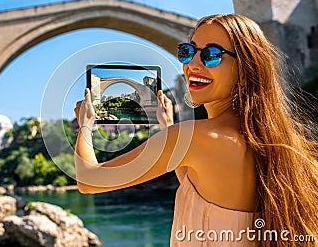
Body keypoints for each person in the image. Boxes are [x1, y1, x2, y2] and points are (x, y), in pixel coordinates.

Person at [74, 14, 318, 246]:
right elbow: (197, 188)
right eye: (188, 52)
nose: (193, 63)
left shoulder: (194, 137)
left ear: (246, 71)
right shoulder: (268, 140)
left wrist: (85, 124)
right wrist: (166, 125)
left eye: (212, 55)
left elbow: (89, 180)